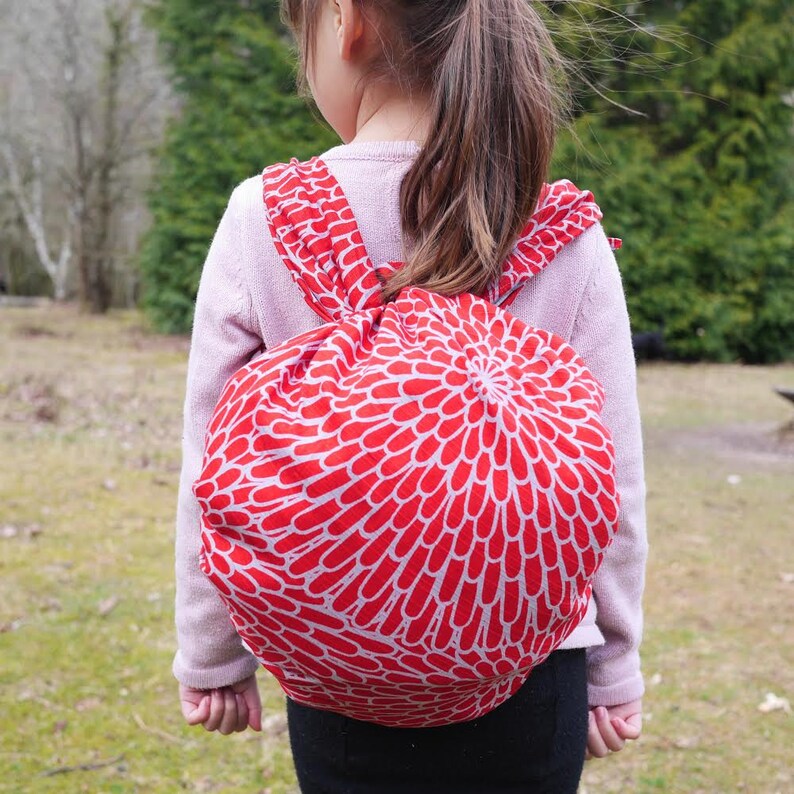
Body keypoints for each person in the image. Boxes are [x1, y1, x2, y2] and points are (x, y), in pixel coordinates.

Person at [174, 0, 648, 791]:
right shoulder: (560, 228)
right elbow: (611, 481)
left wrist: (213, 654)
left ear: (344, 20)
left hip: (337, 650)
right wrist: (613, 664)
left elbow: (216, 469)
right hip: (534, 658)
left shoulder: (265, 220)